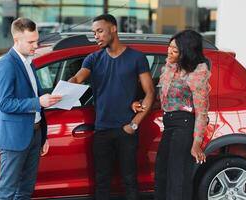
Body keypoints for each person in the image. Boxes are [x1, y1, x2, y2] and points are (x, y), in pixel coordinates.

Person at [69, 14, 155, 200]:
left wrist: (133, 125)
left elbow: (150, 93)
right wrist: (68, 85)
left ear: (113, 29)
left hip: (126, 130)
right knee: (101, 182)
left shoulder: (137, 58)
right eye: (94, 33)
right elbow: (78, 78)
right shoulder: (92, 59)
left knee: (130, 181)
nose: (96, 36)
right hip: (102, 130)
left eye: (100, 31)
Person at [133, 29, 210, 200]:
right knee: (162, 174)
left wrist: (196, 144)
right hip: (169, 124)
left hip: (184, 125)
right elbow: (166, 101)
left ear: (186, 52)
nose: (169, 52)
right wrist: (143, 104)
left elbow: (201, 112)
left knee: (178, 179)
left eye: (175, 50)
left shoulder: (198, 74)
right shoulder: (169, 69)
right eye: (169, 48)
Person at [0, 17, 62, 199]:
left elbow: (32, 95)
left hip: (35, 134)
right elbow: (5, 104)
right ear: (17, 40)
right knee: (6, 191)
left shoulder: (29, 62)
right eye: (31, 42)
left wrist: (43, 135)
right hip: (14, 138)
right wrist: (38, 102)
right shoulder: (6, 65)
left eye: (36, 40)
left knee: (25, 189)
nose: (36, 45)